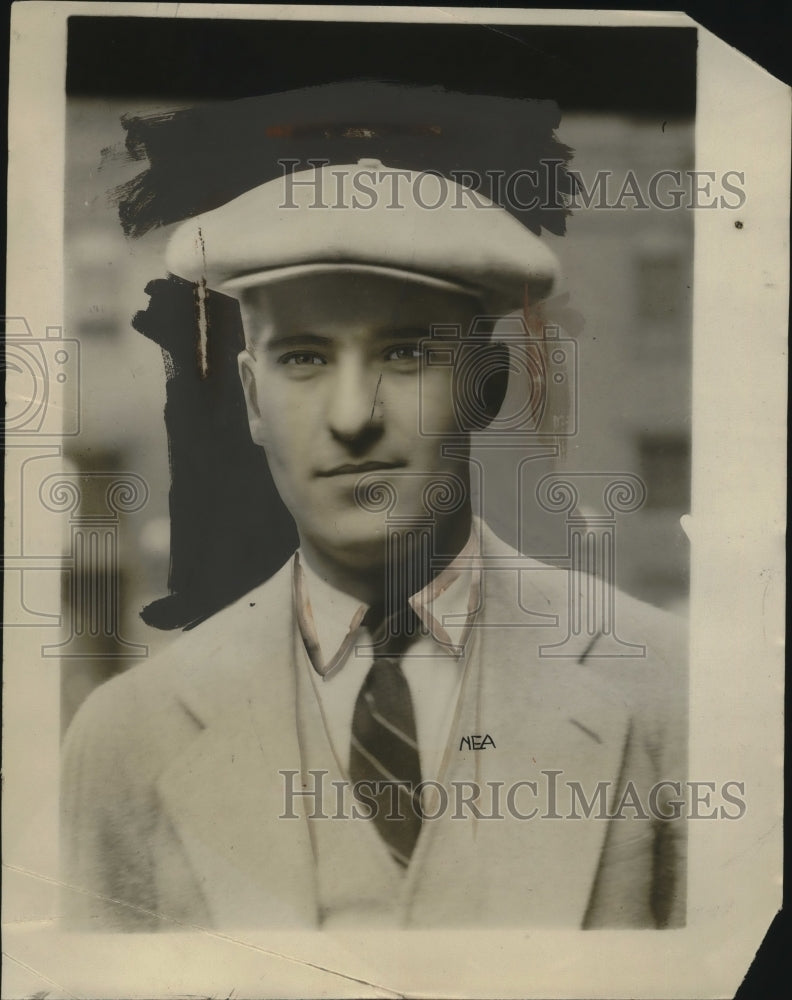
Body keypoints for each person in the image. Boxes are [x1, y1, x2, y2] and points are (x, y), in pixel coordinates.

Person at [61, 159, 686, 931]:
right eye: (305, 359)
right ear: (255, 400)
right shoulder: (130, 732)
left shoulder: (668, 690)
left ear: (485, 385)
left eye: (405, 353)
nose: (353, 415)